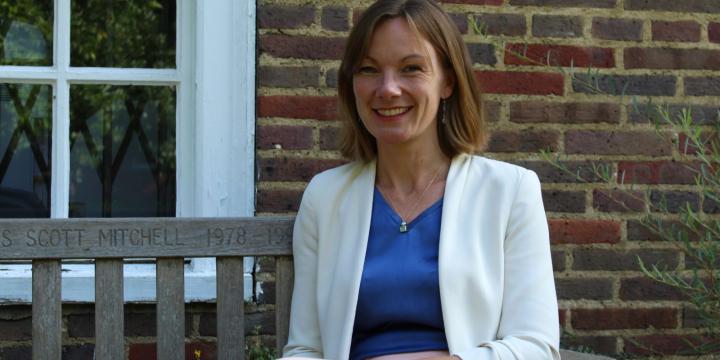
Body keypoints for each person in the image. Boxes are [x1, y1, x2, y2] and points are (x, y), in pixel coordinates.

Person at [282, 0, 560, 359]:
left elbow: (535, 347)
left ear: (448, 80)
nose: (388, 89)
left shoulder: (510, 192)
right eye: (368, 69)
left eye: (411, 68)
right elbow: (305, 349)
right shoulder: (325, 197)